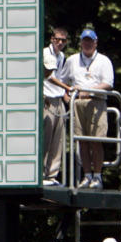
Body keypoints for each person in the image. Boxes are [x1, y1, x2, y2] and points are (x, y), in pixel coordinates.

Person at [60, 28, 114, 189]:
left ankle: (97, 176)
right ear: (81, 42)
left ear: (96, 42)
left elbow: (108, 83)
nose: (87, 44)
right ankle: (87, 175)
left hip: (96, 102)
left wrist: (89, 91)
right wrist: (67, 98)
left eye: (90, 41)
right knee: (82, 141)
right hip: (78, 104)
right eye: (85, 40)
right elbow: (62, 81)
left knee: (96, 141)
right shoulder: (72, 60)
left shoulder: (104, 60)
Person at [42, 27, 71, 185]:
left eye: (63, 40)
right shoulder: (46, 53)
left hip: (58, 98)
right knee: (45, 137)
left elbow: (60, 78)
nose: (60, 42)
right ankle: (40, 174)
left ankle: (52, 175)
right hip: (47, 99)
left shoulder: (62, 56)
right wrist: (66, 88)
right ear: (52, 38)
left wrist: (65, 94)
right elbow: (50, 76)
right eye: (57, 39)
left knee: (58, 138)